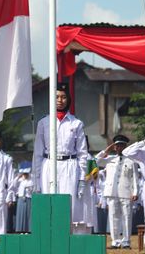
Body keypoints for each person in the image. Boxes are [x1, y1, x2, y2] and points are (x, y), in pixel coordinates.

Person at [32, 83, 88, 229]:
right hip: (49, 164)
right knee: (48, 205)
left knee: (69, 206)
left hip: (69, 165)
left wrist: (82, 179)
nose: (60, 100)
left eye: (63, 97)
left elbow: (82, 153)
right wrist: (36, 180)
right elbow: (37, 153)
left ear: (68, 99)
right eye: (56, 97)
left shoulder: (76, 123)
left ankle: (66, 240)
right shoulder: (43, 122)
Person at [95, 135, 139, 249]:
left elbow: (135, 177)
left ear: (125, 146)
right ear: (114, 147)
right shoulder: (109, 159)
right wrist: (106, 150)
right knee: (113, 216)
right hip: (112, 192)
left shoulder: (131, 160)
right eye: (117, 145)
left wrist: (135, 192)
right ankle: (115, 241)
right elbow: (96, 161)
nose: (120, 148)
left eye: (122, 145)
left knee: (127, 217)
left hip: (126, 191)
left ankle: (126, 242)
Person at [0, 131, 15, 235]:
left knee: (1, 218)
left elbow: (11, 178)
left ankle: (0, 244)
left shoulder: (7, 158)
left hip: (2, 190)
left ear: (1, 142)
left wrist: (10, 195)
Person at [13, 168, 33, 233]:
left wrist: (28, 188)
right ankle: (20, 229)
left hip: (28, 198)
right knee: (20, 214)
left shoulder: (31, 181)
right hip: (21, 198)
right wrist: (19, 176)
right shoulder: (20, 180)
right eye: (24, 174)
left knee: (28, 214)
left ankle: (28, 229)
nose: (25, 175)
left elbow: (32, 188)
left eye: (26, 174)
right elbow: (13, 184)